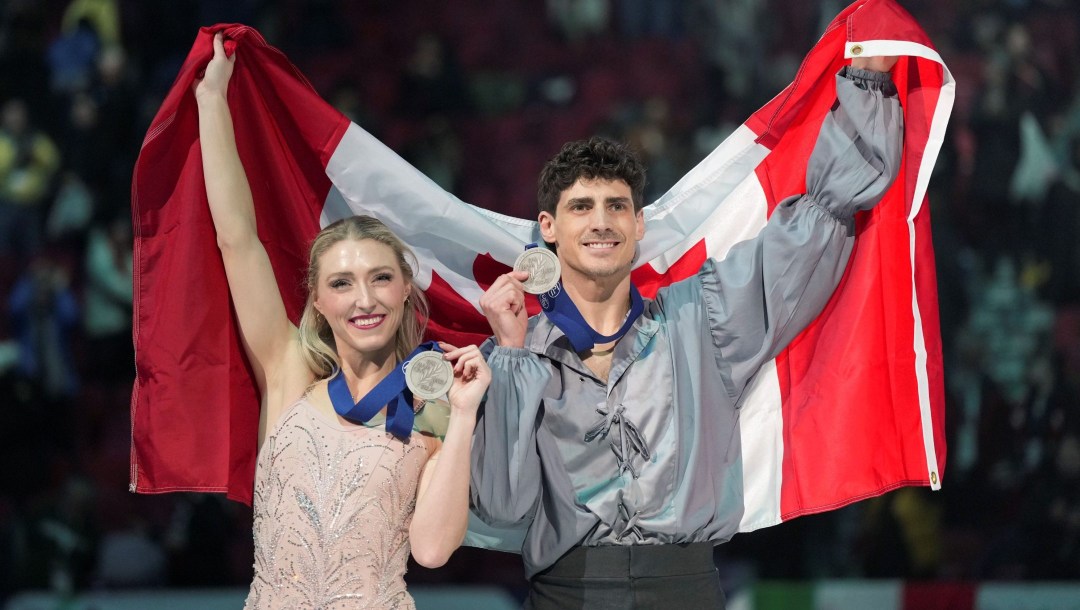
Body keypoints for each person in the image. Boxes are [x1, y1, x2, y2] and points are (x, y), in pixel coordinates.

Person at [471, 54, 902, 609]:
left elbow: (814, 226)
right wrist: (508, 355)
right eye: (581, 206)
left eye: (616, 206)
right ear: (549, 228)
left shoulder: (703, 319)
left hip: (685, 589)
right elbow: (501, 506)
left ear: (638, 224)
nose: (601, 222)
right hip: (564, 594)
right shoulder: (515, 351)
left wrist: (867, 82)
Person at [195, 33, 487, 609]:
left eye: (381, 278)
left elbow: (431, 551)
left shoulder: (429, 404)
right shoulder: (288, 373)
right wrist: (212, 101)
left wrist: (465, 417)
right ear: (318, 301)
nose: (364, 299)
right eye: (341, 283)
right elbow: (236, 238)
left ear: (406, 290)